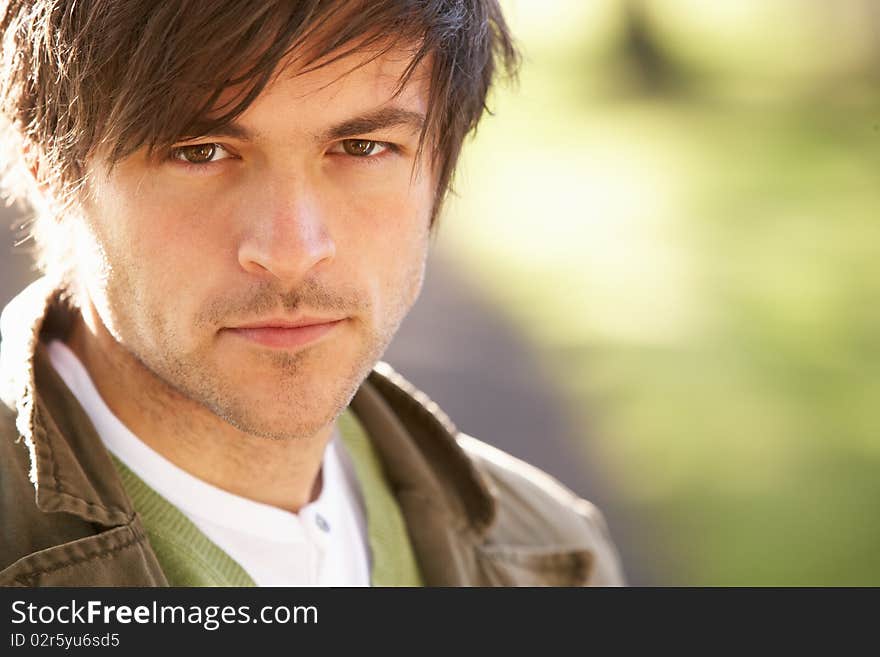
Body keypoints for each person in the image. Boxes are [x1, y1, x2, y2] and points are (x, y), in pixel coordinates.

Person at [0, 0, 624, 587]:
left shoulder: (551, 555)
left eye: (362, 147)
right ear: (46, 164)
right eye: (201, 152)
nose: (292, 252)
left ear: (441, 166)